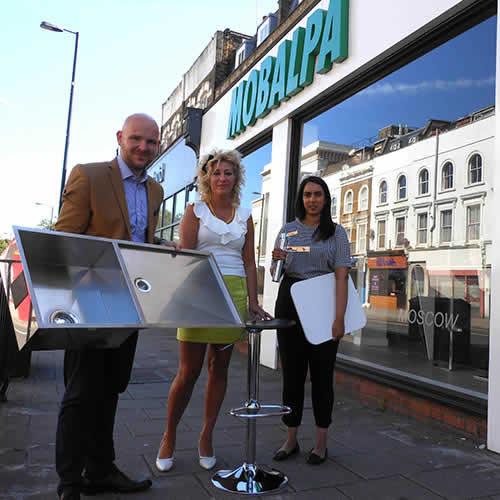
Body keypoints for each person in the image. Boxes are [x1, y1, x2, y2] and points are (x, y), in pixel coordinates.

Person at [54, 113, 178, 500]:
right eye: (137, 140)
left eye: (151, 142)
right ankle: (70, 483)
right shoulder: (89, 176)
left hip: (131, 305)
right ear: (120, 138)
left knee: (110, 390)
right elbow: (64, 239)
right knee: (80, 394)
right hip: (92, 304)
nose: (144, 148)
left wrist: (161, 248)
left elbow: (135, 241)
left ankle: (100, 471)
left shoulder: (155, 191)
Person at [156, 149, 272, 473]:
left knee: (218, 369)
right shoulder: (194, 210)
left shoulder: (245, 214)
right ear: (207, 177)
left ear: (236, 178)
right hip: (199, 292)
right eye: (216, 172)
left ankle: (206, 436)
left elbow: (249, 262)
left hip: (232, 294)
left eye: (228, 172)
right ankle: (169, 435)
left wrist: (252, 301)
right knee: (187, 373)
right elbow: (188, 256)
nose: (222, 178)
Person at [270, 176, 351, 465]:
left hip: (323, 306)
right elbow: (274, 274)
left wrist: (339, 318)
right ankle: (290, 439)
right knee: (291, 374)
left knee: (321, 376)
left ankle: (320, 443)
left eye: (318, 194)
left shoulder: (336, 234)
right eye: (307, 194)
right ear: (300, 199)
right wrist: (276, 259)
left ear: (326, 199)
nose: (312, 199)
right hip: (290, 303)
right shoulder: (287, 231)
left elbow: (342, 277)